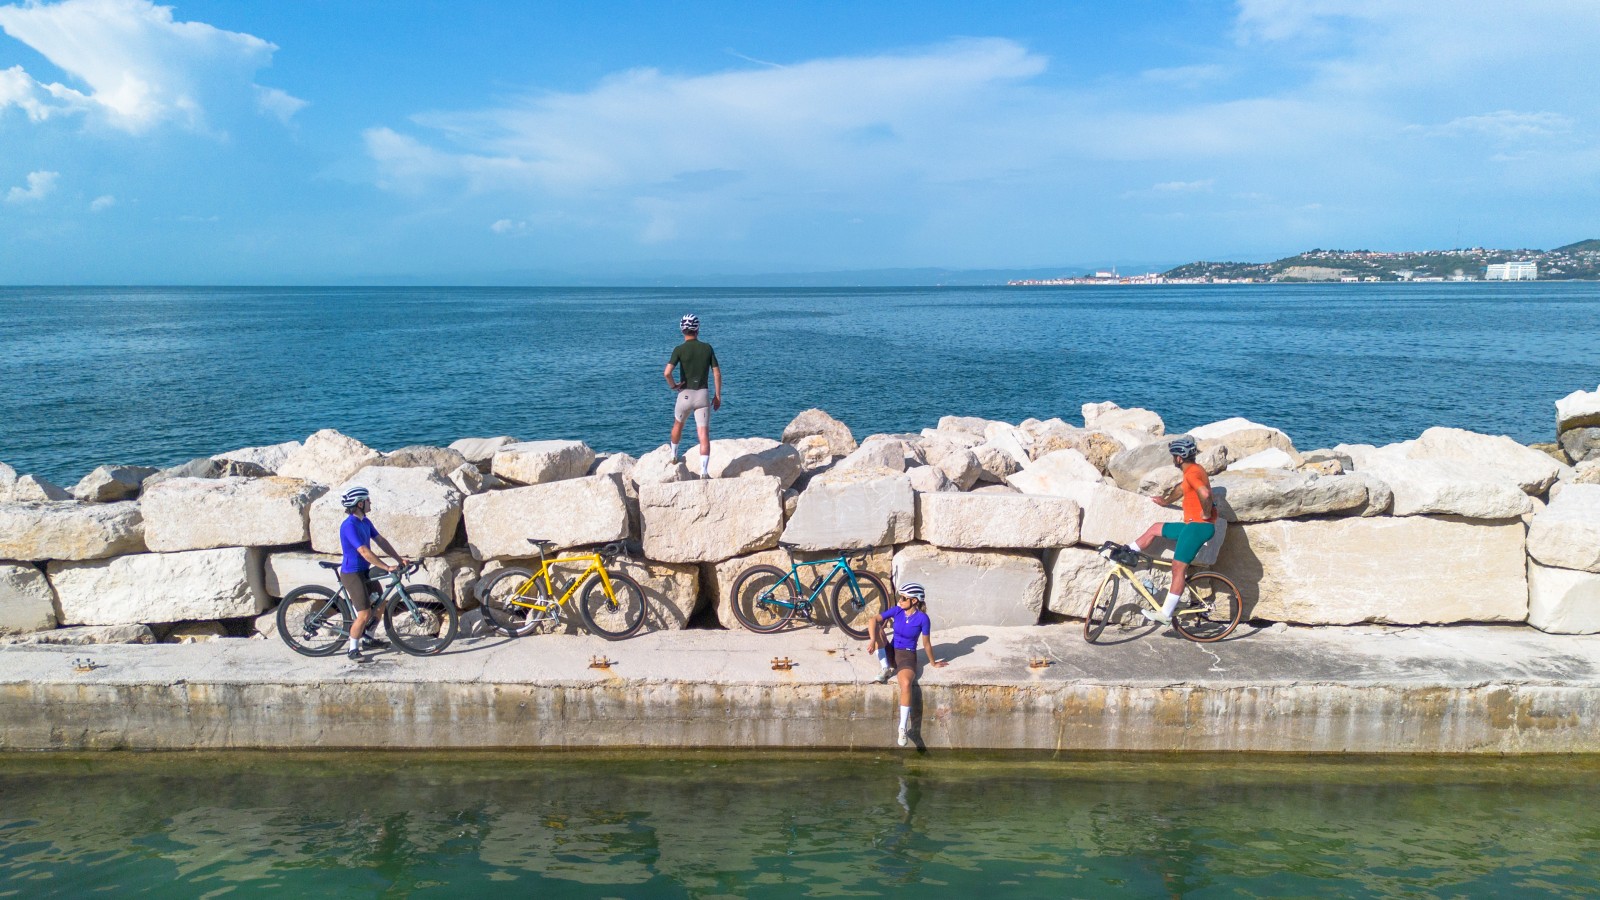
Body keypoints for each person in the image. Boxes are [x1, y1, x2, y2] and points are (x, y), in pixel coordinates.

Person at [1122, 435, 1215, 625]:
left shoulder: (1192, 473)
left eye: (1174, 456)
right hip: (1193, 526)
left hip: (1199, 527)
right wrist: (1165, 501)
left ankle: (1165, 613)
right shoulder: (1193, 471)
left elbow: (1204, 493)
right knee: (1156, 529)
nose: (1173, 459)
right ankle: (1127, 552)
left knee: (1177, 568)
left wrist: (1206, 514)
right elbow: (1181, 490)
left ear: (1179, 458)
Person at [869, 582, 947, 747]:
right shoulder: (897, 610)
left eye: (903, 598)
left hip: (907, 654)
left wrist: (933, 662)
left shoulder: (922, 619)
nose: (899, 601)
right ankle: (886, 667)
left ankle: (903, 728)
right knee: (877, 628)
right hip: (892, 649)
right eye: (899, 597)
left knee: (905, 683)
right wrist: (872, 640)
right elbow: (873, 619)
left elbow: (926, 643)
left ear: (914, 601)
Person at [337, 487, 408, 662]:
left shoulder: (365, 522)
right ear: (360, 503)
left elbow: (381, 541)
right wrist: (386, 566)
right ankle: (352, 648)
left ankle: (368, 637)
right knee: (364, 613)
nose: (370, 503)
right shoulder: (349, 525)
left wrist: (399, 559)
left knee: (380, 603)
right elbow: (363, 551)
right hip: (352, 573)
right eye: (368, 500)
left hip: (364, 570)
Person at [662, 313, 721, 478]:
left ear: (682, 329)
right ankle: (704, 471)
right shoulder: (707, 348)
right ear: (697, 329)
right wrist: (717, 396)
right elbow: (717, 374)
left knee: (677, 425)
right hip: (702, 395)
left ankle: (674, 455)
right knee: (703, 434)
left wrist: (674, 386)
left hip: (684, 395)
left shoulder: (679, 350)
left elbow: (667, 373)